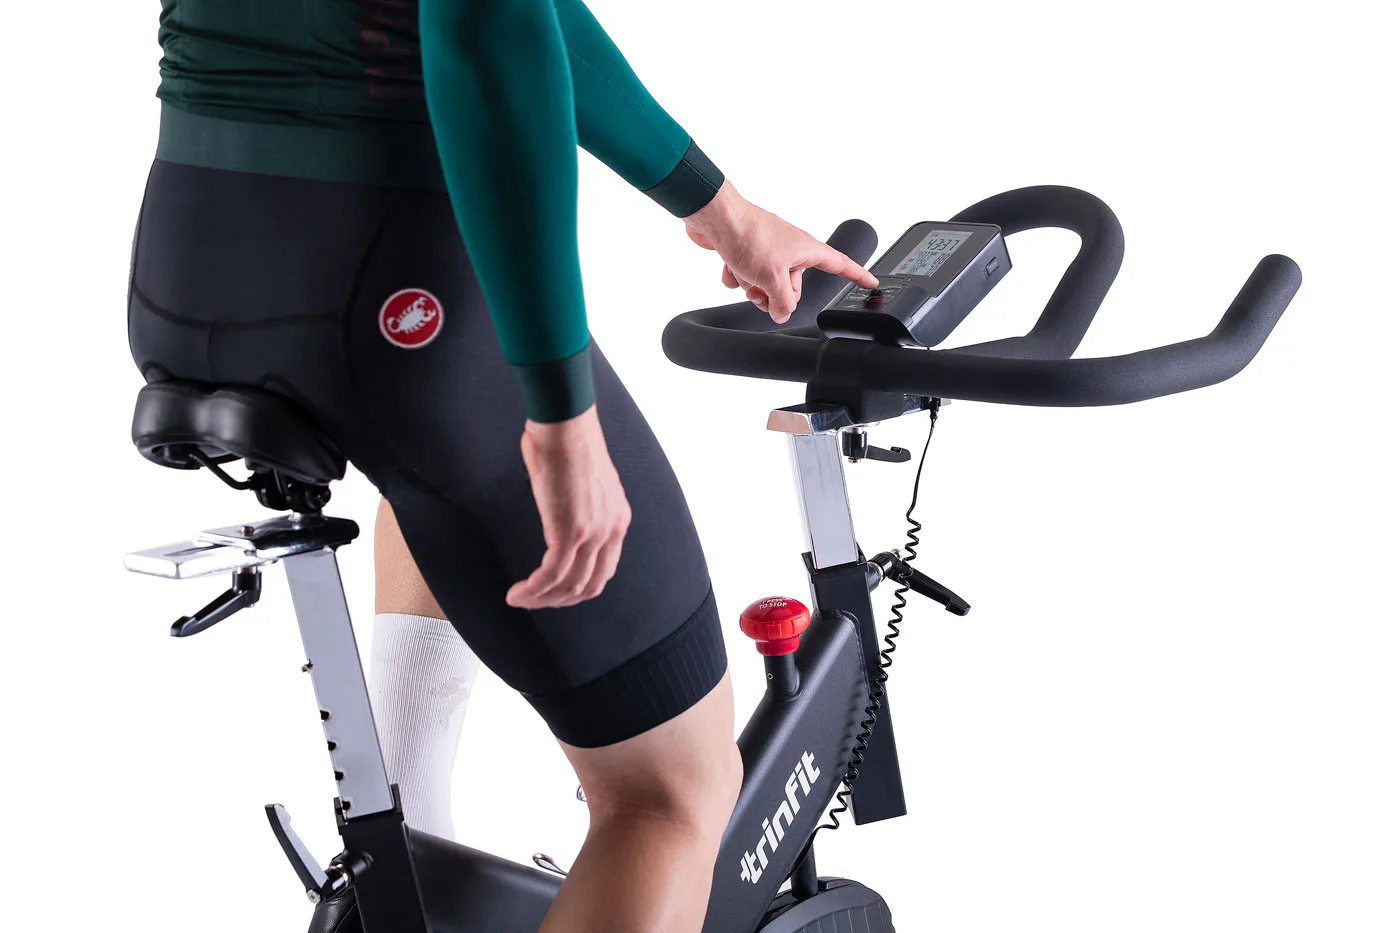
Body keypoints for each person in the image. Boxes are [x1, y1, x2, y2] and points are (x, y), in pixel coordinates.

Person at [128, 1, 878, 929]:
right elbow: (493, 40)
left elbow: (527, 12)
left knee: (429, 468)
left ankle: (412, 849)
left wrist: (721, 210)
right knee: (672, 792)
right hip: (384, 281)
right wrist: (559, 414)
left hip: (188, 261)